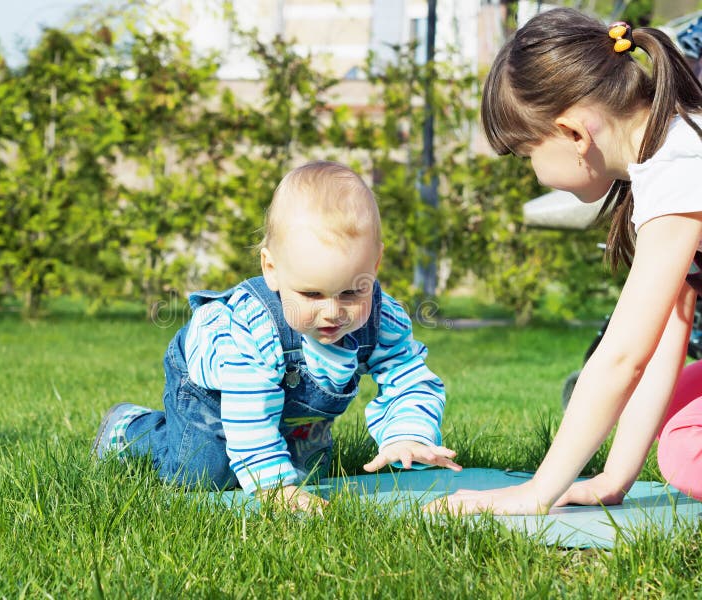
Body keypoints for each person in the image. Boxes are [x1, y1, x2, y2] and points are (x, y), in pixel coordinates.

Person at [433, 7, 702, 516]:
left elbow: (624, 357)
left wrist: (538, 493)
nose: (532, 173)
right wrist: (611, 480)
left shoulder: (679, 169)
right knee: (672, 412)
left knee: (683, 447)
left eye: (524, 153)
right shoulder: (671, 153)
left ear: (574, 134)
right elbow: (669, 335)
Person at [93, 160, 461, 511]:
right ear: (272, 269)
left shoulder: (382, 318)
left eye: (351, 292)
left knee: (310, 475)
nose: (333, 312)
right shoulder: (253, 329)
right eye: (312, 294)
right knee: (206, 470)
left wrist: (408, 434)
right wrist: (273, 488)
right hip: (214, 385)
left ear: (374, 264)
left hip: (283, 394)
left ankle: (282, 449)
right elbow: (249, 407)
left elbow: (408, 375)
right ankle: (131, 430)